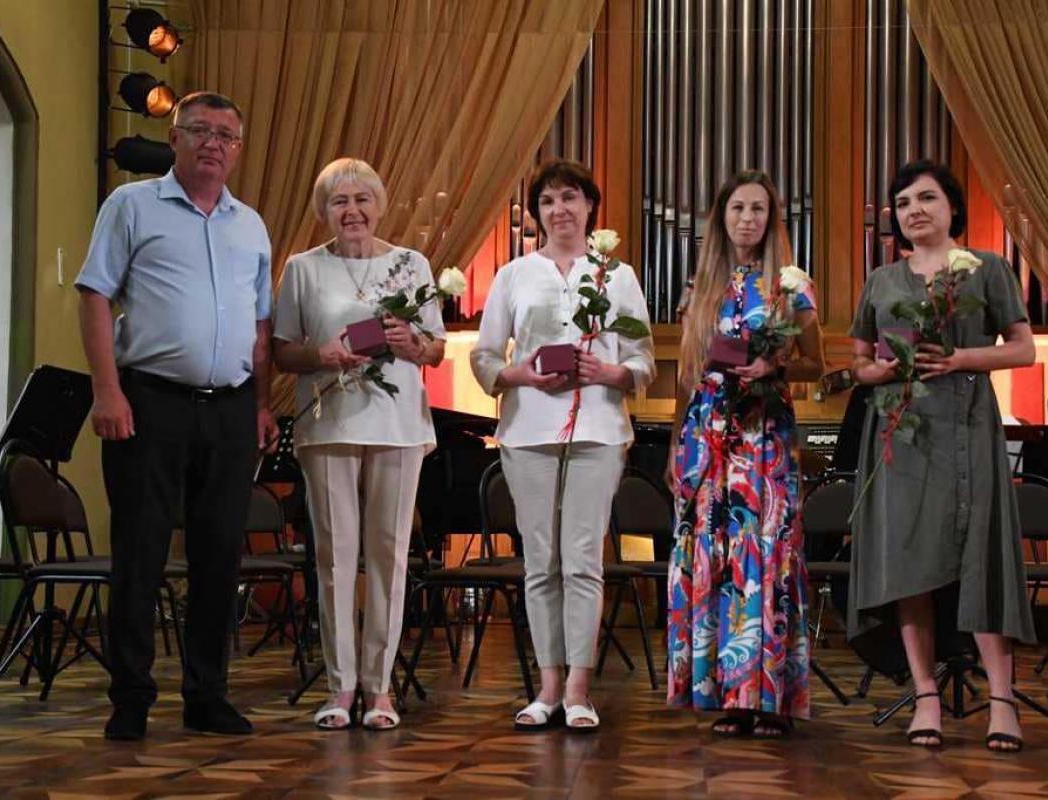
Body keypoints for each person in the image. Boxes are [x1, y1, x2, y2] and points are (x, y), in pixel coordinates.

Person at [76, 91, 278, 741]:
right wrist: (107, 391)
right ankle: (131, 697)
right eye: (200, 130)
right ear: (174, 138)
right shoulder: (131, 205)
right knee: (140, 552)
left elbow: (261, 324)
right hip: (150, 402)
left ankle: (207, 695)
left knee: (219, 556)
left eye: (226, 135)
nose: (213, 143)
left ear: (237, 150)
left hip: (231, 408)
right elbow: (95, 296)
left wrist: (262, 403)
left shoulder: (251, 225)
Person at [846, 159, 1036, 752]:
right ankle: (925, 694)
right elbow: (859, 362)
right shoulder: (881, 280)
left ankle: (1002, 700)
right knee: (908, 561)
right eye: (903, 203)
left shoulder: (988, 268)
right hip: (901, 433)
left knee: (981, 554)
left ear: (953, 206)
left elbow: (1023, 350)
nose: (914, 211)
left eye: (926, 198)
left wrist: (959, 360)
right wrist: (878, 371)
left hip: (968, 425)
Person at [471, 159, 655, 732]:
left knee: (582, 560)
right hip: (528, 431)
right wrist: (519, 374)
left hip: (598, 429)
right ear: (536, 213)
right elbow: (484, 357)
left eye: (570, 197)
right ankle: (547, 687)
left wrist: (609, 371)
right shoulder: (513, 275)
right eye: (547, 201)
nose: (559, 210)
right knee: (540, 561)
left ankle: (579, 688)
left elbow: (643, 360)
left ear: (590, 206)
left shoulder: (617, 276)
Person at [272, 157, 445, 731]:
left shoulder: (410, 264)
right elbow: (282, 352)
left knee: (389, 556)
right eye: (340, 201)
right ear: (324, 210)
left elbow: (435, 348)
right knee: (334, 557)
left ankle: (381, 688)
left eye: (362, 199)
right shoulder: (302, 268)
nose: (352, 211)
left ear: (379, 205)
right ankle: (340, 687)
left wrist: (411, 342)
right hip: (329, 423)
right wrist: (320, 355)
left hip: (397, 423)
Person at [667, 171, 824, 738]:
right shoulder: (700, 287)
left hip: (765, 440)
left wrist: (773, 365)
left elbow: (816, 366)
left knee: (765, 559)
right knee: (716, 558)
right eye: (738, 208)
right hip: (708, 439)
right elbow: (687, 374)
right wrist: (676, 444)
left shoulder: (791, 287)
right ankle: (727, 697)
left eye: (758, 209)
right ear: (722, 217)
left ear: (772, 219)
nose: (747, 218)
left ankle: (771, 699)